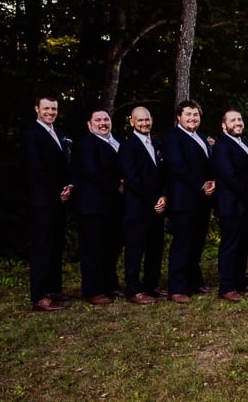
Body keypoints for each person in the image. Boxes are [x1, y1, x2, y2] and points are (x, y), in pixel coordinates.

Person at [22, 95, 73, 311]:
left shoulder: (59, 134)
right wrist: (56, 192)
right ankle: (40, 296)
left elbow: (65, 164)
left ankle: (53, 288)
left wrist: (69, 186)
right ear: (36, 109)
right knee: (42, 246)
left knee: (55, 245)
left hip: (61, 199)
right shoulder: (31, 135)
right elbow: (36, 169)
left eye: (54, 109)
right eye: (46, 108)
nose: (50, 112)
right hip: (43, 200)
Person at [163, 100, 216, 303]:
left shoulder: (201, 137)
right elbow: (178, 167)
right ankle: (176, 288)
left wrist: (212, 182)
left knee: (196, 243)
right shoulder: (173, 139)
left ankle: (192, 282)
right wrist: (202, 184)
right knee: (182, 244)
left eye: (196, 115)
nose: (192, 118)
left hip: (202, 200)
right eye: (188, 114)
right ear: (179, 117)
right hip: (183, 200)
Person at [72, 109, 123, 305]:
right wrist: (118, 185)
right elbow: (91, 172)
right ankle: (93, 290)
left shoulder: (117, 141)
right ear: (89, 124)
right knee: (92, 249)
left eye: (106, 119)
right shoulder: (85, 144)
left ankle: (110, 284)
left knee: (111, 247)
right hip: (92, 206)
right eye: (98, 120)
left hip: (114, 206)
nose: (103, 123)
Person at [212, 108, 248, 302]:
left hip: (246, 204)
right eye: (233, 120)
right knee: (230, 246)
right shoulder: (222, 146)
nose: (238, 123)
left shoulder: (243, 143)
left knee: (242, 245)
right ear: (224, 125)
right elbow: (229, 176)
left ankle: (240, 281)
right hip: (230, 204)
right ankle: (226, 287)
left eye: (239, 119)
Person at [118, 106, 167, 304]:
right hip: (138, 207)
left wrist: (164, 196)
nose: (144, 123)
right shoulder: (128, 146)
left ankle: (151, 285)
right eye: (140, 120)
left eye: (147, 119)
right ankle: (133, 290)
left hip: (158, 207)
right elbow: (132, 179)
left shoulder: (156, 143)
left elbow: (164, 173)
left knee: (155, 248)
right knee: (135, 250)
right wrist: (152, 200)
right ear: (132, 122)